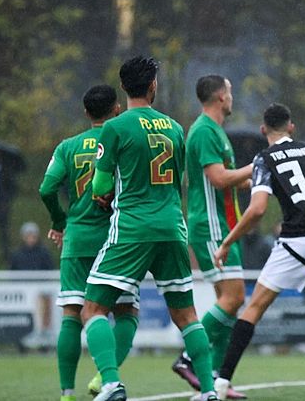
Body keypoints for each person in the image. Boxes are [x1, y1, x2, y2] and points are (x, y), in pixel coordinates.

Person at [81, 56, 217, 401]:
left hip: (133, 228)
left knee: (93, 308)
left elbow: (100, 186)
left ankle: (110, 384)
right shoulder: (175, 128)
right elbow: (178, 180)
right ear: (153, 85)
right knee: (187, 315)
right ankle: (209, 390)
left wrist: (106, 192)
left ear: (122, 87)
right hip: (172, 227)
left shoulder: (115, 127)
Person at [211, 103, 305, 399]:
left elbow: (257, 209)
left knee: (254, 308)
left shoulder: (264, 159)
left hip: (294, 242)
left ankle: (221, 382)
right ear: (291, 127)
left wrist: (228, 242)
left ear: (263, 130)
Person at [39, 84, 139, 401]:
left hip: (77, 239)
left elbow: (46, 189)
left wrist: (60, 221)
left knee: (72, 313)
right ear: (117, 110)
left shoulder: (67, 147)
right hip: (115, 239)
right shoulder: (121, 141)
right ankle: (104, 376)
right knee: (126, 312)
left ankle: (66, 394)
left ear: (85, 112)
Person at [171, 75, 252, 400]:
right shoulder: (204, 130)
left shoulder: (215, 131)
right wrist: (257, 166)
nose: (232, 96)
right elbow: (218, 179)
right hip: (211, 225)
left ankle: (216, 379)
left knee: (229, 304)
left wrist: (261, 177)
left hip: (223, 224)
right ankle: (189, 356)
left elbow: (229, 178)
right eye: (229, 91)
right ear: (220, 96)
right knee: (234, 297)